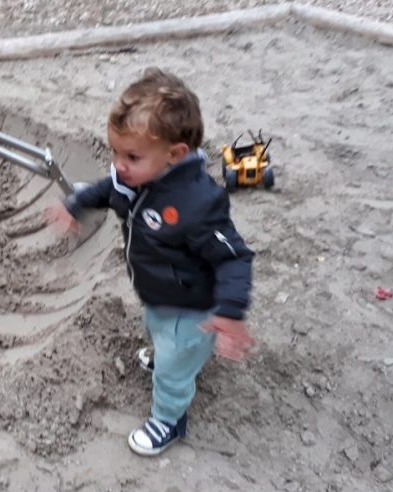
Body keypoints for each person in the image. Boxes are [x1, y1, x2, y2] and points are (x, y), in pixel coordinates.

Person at [44, 68, 255, 456]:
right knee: (158, 329)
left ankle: (169, 420)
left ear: (175, 155)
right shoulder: (138, 177)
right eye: (114, 151)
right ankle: (171, 357)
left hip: (193, 306)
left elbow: (234, 257)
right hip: (160, 291)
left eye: (131, 156)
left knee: (175, 366)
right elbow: (109, 189)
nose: (118, 164)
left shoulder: (197, 204)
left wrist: (229, 311)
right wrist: (75, 204)